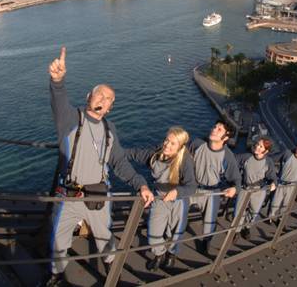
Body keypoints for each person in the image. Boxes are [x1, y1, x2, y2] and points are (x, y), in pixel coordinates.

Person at [45, 47, 154, 287]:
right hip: (68, 196)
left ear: (110, 109)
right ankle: (56, 276)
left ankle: (113, 275)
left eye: (109, 100)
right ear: (88, 97)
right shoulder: (70, 119)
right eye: (100, 95)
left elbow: (119, 162)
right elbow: (58, 99)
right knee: (58, 241)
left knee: (106, 239)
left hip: (98, 196)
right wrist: (57, 80)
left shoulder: (110, 130)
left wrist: (141, 184)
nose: (103, 101)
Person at [125, 126, 196, 271]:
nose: (167, 145)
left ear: (180, 146)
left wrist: (177, 192)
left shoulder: (185, 160)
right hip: (159, 198)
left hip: (178, 200)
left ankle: (171, 254)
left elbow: (191, 186)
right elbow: (135, 154)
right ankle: (159, 254)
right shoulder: (156, 155)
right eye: (166, 140)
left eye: (172, 143)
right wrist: (115, 153)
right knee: (154, 232)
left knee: (175, 232)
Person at [188, 120, 242, 256]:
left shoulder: (227, 156)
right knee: (176, 215)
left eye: (219, 129)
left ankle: (206, 242)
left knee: (209, 221)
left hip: (212, 192)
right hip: (191, 187)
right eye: (215, 127)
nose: (214, 129)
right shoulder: (197, 144)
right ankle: (169, 251)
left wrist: (235, 188)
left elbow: (236, 179)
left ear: (226, 137)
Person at [234, 137, 277, 240]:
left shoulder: (268, 162)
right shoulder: (246, 157)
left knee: (254, 211)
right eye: (257, 144)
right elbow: (232, 161)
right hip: (245, 188)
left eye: (261, 146)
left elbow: (272, 176)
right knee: (239, 211)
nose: (257, 147)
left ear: (266, 151)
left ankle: (247, 227)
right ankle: (236, 231)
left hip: (259, 190)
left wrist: (273, 183)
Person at [268, 138, 297, 223]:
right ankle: (270, 218)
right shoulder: (287, 153)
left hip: (292, 185)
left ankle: (280, 220)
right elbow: (272, 159)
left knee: (286, 205)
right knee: (275, 203)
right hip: (281, 183)